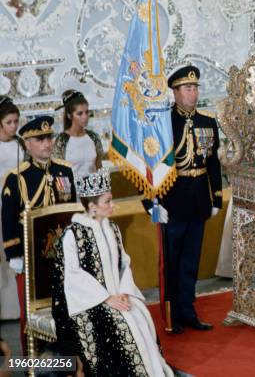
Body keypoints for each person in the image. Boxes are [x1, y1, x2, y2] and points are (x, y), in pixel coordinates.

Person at [52, 168, 173, 376]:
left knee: (139, 314)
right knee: (119, 323)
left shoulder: (112, 228)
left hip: (118, 295)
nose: (113, 205)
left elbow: (124, 263)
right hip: (89, 302)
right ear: (92, 207)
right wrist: (106, 298)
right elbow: (73, 276)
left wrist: (124, 292)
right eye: (107, 201)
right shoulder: (73, 235)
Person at [145, 65, 222, 334]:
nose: (193, 93)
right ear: (175, 92)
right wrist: (152, 206)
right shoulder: (163, 123)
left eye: (195, 87)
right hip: (171, 202)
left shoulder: (207, 121)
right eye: (187, 88)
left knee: (191, 262)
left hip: (198, 199)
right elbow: (151, 166)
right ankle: (171, 314)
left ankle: (188, 311)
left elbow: (213, 163)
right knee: (172, 261)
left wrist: (216, 199)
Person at [2, 116, 76, 351]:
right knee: (31, 314)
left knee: (65, 308)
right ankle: (31, 363)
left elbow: (72, 210)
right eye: (39, 139)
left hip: (62, 255)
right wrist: (14, 254)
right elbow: (8, 218)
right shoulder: (16, 178)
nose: (46, 143)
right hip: (30, 258)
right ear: (27, 144)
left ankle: (66, 363)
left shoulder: (65, 170)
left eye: (49, 137)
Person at [0, 96, 23, 321]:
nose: (14, 126)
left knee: (14, 255)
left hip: (15, 206)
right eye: (9, 122)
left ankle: (15, 310)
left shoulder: (20, 144)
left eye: (16, 121)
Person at [53, 90, 104, 177]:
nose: (85, 117)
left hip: (94, 187)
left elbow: (99, 166)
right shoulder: (62, 140)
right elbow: (58, 172)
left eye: (87, 112)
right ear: (69, 115)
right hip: (72, 189)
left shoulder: (93, 137)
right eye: (80, 114)